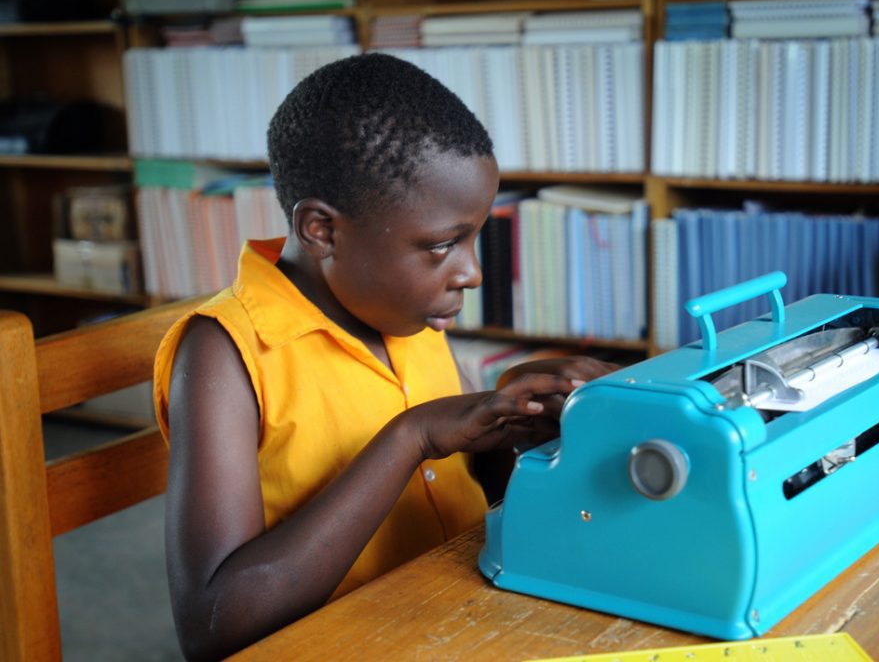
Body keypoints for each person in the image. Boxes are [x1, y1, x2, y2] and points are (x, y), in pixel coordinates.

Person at [153, 52, 617, 661]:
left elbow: (468, 501)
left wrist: (515, 432)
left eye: (474, 237)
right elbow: (216, 628)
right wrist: (412, 437)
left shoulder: (405, 310)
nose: (472, 273)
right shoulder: (224, 352)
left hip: (456, 616)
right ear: (322, 230)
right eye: (444, 245)